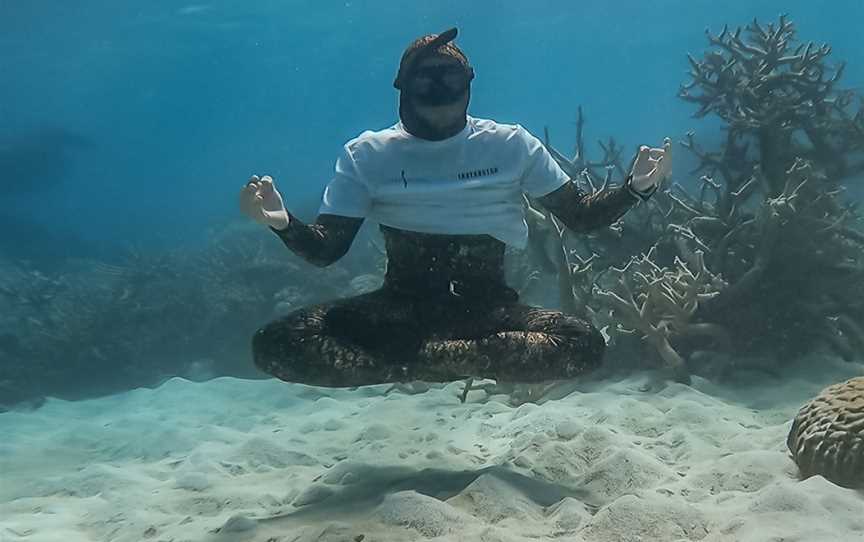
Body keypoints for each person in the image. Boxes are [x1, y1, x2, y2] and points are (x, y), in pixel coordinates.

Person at [239, 28, 671, 388]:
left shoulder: (510, 144)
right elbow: (326, 249)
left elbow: (580, 215)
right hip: (403, 312)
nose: (441, 93)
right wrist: (282, 222)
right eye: (428, 81)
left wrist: (635, 189)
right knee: (275, 343)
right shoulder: (367, 154)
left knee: (585, 343)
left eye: (451, 79)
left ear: (468, 84)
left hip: (486, 313)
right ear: (405, 87)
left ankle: (413, 362)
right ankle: (449, 360)